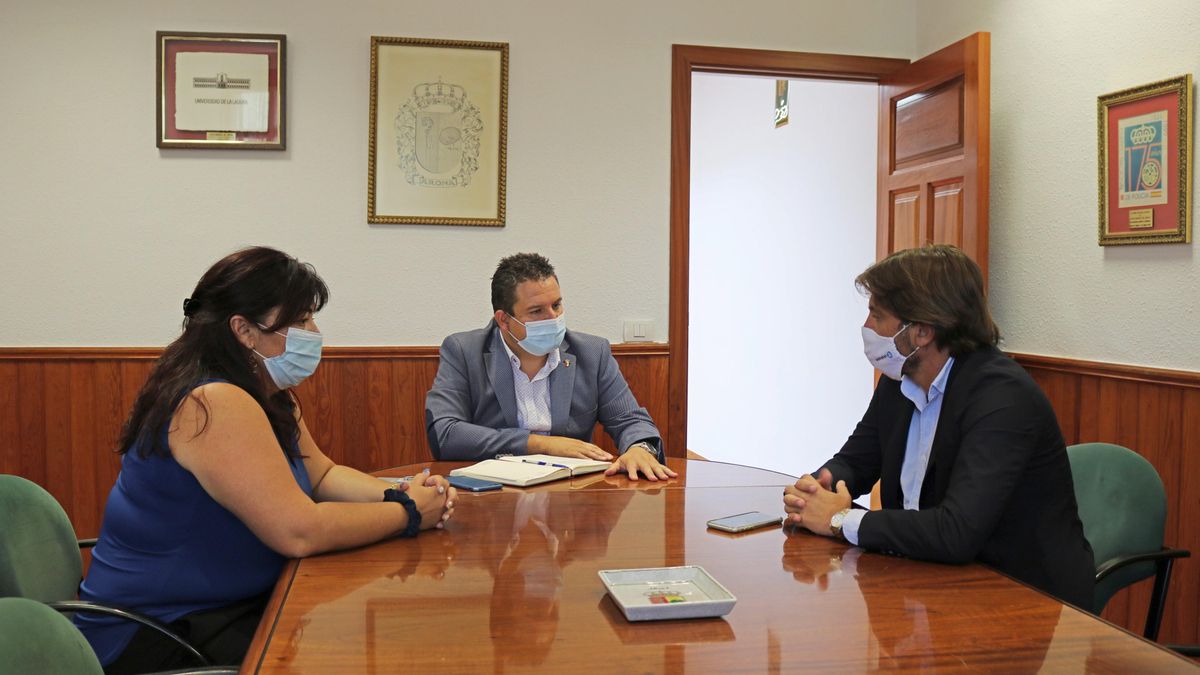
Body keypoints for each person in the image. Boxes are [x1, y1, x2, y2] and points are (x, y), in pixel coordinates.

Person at [77, 247, 457, 673]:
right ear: (243, 330)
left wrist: (405, 490)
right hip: (159, 633)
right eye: (298, 321)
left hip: (228, 608)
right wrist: (408, 512)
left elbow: (323, 475)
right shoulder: (213, 403)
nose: (313, 332)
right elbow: (299, 531)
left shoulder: (267, 395)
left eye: (311, 318)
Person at [782, 244, 1094, 608]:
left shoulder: (1003, 399)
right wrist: (816, 490)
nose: (867, 328)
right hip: (930, 581)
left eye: (877, 316)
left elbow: (956, 531)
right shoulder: (900, 380)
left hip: (1023, 600)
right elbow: (856, 461)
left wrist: (839, 519)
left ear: (921, 332)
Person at [425, 252, 675, 481]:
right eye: (536, 311)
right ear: (504, 320)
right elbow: (446, 434)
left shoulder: (591, 352)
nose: (553, 318)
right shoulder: (464, 351)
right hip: (492, 492)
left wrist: (640, 448)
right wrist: (540, 444)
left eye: (556, 305)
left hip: (571, 495)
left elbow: (631, 420)